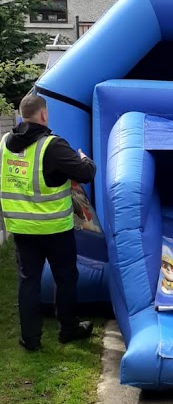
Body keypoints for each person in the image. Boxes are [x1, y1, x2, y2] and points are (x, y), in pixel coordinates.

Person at [0, 93, 96, 350]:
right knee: (65, 278)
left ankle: (30, 339)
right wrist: (85, 158)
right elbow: (84, 173)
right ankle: (68, 328)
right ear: (43, 115)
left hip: (21, 227)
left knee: (28, 281)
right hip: (54, 228)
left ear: (21, 115)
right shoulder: (51, 145)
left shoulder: (5, 143)